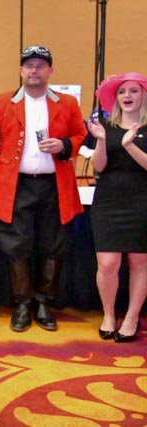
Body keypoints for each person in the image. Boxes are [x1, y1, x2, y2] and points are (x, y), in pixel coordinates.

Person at [0, 45, 87, 333]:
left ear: (50, 71)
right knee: (15, 245)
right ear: (21, 70)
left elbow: (81, 134)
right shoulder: (1, 102)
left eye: (40, 65)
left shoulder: (68, 103)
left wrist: (65, 145)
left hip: (55, 185)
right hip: (15, 185)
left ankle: (44, 301)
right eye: (29, 65)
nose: (34, 70)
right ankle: (22, 302)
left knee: (54, 244)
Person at [87, 72, 147, 343]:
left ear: (143, 95)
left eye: (134, 91)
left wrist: (129, 145)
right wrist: (101, 140)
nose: (127, 96)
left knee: (139, 262)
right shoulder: (105, 126)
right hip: (108, 200)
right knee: (108, 263)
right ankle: (109, 315)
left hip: (142, 201)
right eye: (122, 92)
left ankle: (132, 317)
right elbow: (99, 167)